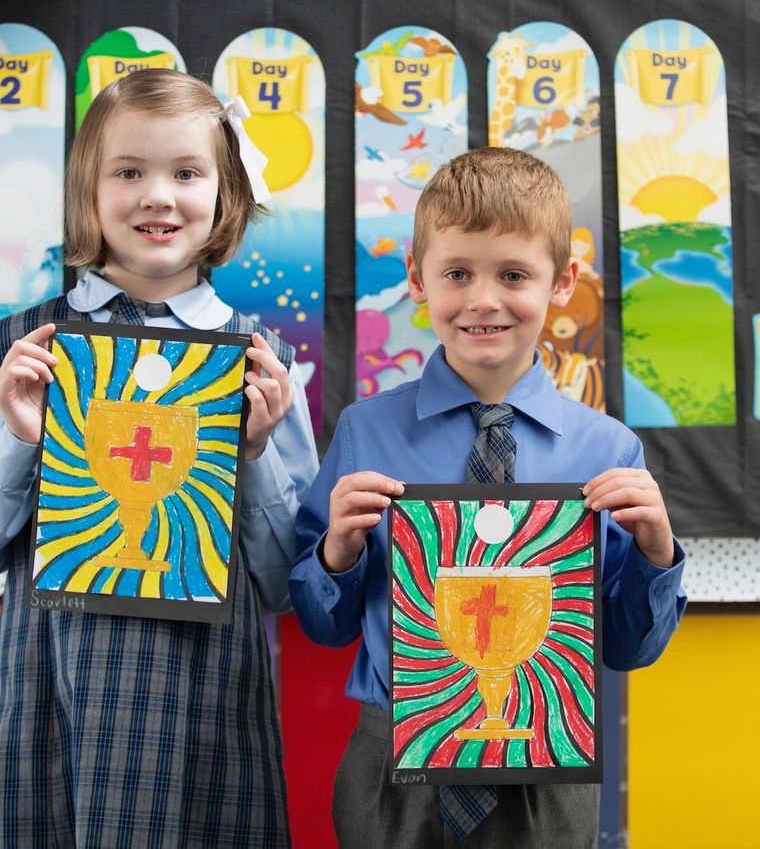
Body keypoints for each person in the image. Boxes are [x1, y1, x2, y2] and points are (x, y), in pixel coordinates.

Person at [290, 147, 686, 849]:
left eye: (513, 275)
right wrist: (338, 554)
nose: (483, 300)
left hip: (547, 768)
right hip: (391, 770)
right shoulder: (365, 433)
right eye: (457, 274)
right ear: (417, 278)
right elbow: (326, 628)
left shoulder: (610, 451)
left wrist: (656, 555)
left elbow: (628, 648)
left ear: (563, 282)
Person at [0, 68, 318, 848]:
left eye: (186, 173)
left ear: (225, 192)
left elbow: (285, 584)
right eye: (129, 172)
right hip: (50, 689)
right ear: (88, 190)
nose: (157, 196)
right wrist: (18, 438)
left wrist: (258, 454)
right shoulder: (25, 348)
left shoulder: (263, 366)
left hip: (205, 692)